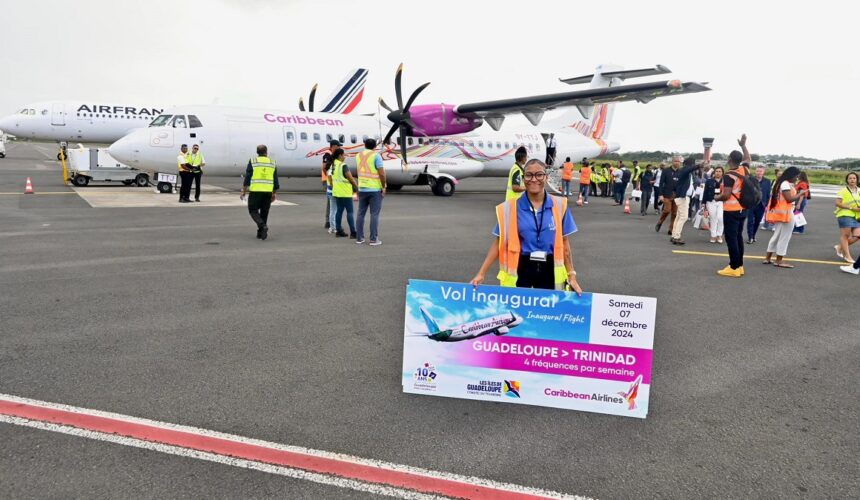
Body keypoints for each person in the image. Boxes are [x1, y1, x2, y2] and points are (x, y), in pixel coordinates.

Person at [470, 159, 582, 294]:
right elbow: (499, 243)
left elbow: (565, 244)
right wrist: (481, 273)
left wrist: (572, 275)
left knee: (546, 312)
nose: (534, 179)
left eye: (539, 174)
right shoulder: (509, 208)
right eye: (529, 175)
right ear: (523, 179)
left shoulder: (560, 205)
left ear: (546, 177)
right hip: (521, 267)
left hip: (549, 269)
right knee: (519, 312)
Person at [714, 134, 752, 277]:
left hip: (731, 210)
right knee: (738, 237)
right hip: (743, 209)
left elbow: (726, 195)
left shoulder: (729, 175)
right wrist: (743, 145)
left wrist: (717, 197)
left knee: (731, 239)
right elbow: (748, 158)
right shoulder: (744, 169)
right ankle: (740, 265)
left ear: (729, 159)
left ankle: (734, 267)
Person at [763, 167, 806, 267]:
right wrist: (800, 193)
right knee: (784, 237)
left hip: (780, 213)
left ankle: (767, 258)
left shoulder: (780, 183)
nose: (797, 179)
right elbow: (789, 199)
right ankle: (779, 260)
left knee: (776, 235)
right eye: (796, 176)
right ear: (792, 175)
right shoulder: (785, 184)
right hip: (786, 213)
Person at [240, 145, 279, 240]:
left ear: (257, 152)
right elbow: (275, 180)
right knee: (264, 212)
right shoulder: (272, 162)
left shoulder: (253, 161)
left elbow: (248, 177)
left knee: (253, 210)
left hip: (256, 190)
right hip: (268, 191)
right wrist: (274, 193)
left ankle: (262, 225)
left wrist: (244, 191)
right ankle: (260, 233)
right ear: (266, 152)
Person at [355, 138, 386, 245]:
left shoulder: (358, 155)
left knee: (360, 213)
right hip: (374, 189)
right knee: (374, 214)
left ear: (364, 145)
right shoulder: (376, 156)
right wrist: (384, 186)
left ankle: (359, 238)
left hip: (362, 187)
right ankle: (373, 239)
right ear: (374, 146)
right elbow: (381, 173)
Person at [669, 157, 702, 245]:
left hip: (683, 197)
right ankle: (676, 237)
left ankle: (674, 235)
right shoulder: (685, 170)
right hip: (682, 197)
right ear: (690, 164)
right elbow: (689, 169)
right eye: (693, 164)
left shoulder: (686, 172)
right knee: (683, 217)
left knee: (679, 217)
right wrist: (698, 166)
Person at [329, 148, 358, 238]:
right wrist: (356, 187)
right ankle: (353, 232)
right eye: (344, 155)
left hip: (337, 192)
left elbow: (330, 177)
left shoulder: (333, 165)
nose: (344, 156)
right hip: (345, 192)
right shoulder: (343, 165)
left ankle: (339, 230)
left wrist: (333, 186)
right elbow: (350, 178)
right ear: (340, 155)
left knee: (339, 211)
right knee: (349, 212)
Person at [834, 171, 860, 263]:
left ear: (857, 180)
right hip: (845, 215)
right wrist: (851, 207)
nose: (852, 180)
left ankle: (840, 247)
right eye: (850, 178)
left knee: (858, 235)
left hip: (856, 216)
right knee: (845, 236)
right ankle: (847, 256)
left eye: (854, 178)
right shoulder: (843, 191)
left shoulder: (859, 190)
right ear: (847, 180)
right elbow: (837, 203)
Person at [656, 156, 681, 234]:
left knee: (675, 213)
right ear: (672, 162)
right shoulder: (666, 171)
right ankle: (660, 222)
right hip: (666, 194)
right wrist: (660, 194)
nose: (676, 163)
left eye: (678, 161)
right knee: (667, 210)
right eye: (675, 161)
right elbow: (661, 183)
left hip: (677, 195)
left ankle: (671, 228)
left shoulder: (681, 172)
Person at [746, 166, 772, 243]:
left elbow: (768, 193)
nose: (759, 173)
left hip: (761, 204)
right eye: (757, 171)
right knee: (750, 221)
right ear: (755, 172)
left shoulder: (767, 181)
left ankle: (753, 235)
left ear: (763, 172)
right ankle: (750, 237)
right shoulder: (750, 180)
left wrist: (767, 204)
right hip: (751, 204)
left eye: (760, 171)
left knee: (757, 221)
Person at [702, 167, 725, 243]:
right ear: (714, 172)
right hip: (711, 201)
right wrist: (703, 203)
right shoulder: (709, 181)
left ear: (722, 173)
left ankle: (719, 234)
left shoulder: (725, 181)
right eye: (716, 171)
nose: (718, 173)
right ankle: (713, 235)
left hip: (721, 202)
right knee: (713, 219)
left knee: (720, 218)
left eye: (720, 171)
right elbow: (705, 192)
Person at [322, 140, 340, 230]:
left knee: (332, 202)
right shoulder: (328, 154)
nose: (339, 148)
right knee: (331, 202)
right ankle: (329, 222)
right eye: (338, 146)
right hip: (329, 181)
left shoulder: (332, 155)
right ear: (333, 146)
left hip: (331, 181)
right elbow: (324, 168)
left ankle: (330, 221)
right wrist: (329, 177)